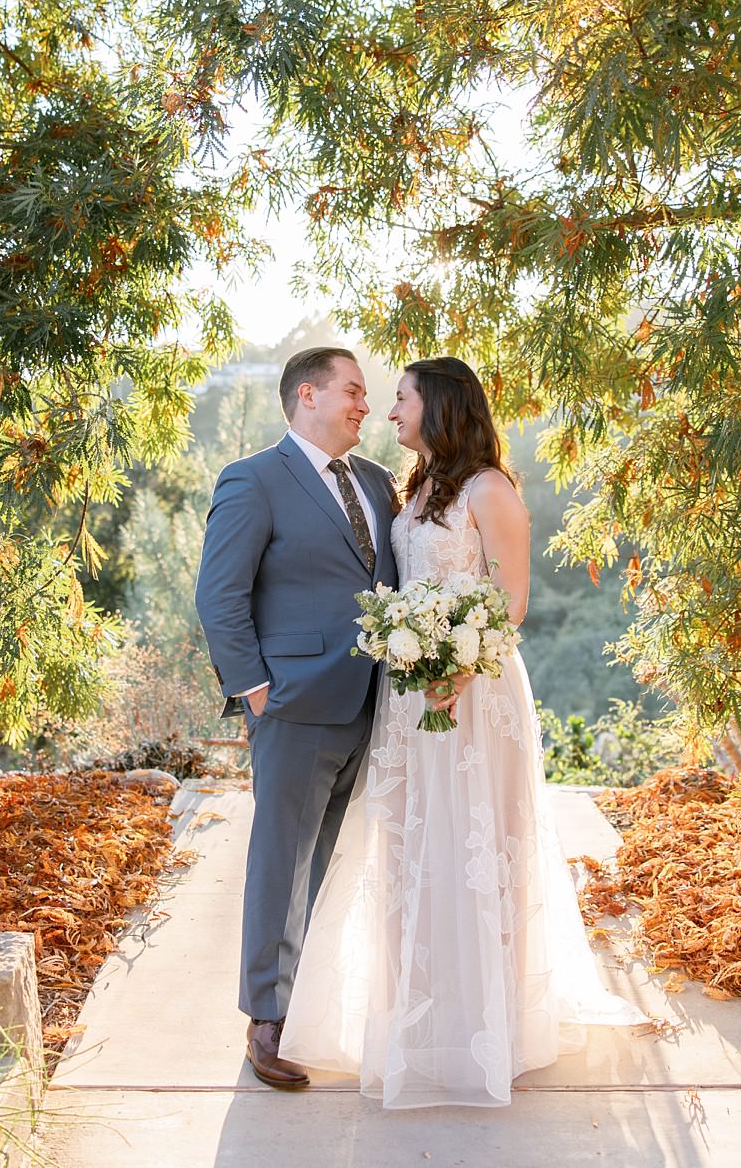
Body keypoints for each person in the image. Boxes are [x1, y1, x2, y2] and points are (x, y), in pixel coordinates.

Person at [277, 355, 643, 1108]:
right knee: (414, 846)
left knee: (481, 847)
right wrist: (417, 661)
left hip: (475, 693)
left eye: (402, 399)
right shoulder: (411, 491)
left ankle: (490, 1023)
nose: (389, 412)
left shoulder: (490, 489)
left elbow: (511, 599)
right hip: (410, 696)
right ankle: (421, 1014)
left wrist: (460, 667)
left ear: (439, 406)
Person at [194, 346, 402, 1090]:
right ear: (307, 395)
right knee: (281, 860)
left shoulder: (379, 482)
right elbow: (220, 594)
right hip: (291, 702)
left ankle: (314, 1005)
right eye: (352, 390)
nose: (364, 404)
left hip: (375, 703)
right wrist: (254, 689)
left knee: (336, 864)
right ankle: (268, 1018)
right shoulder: (254, 479)